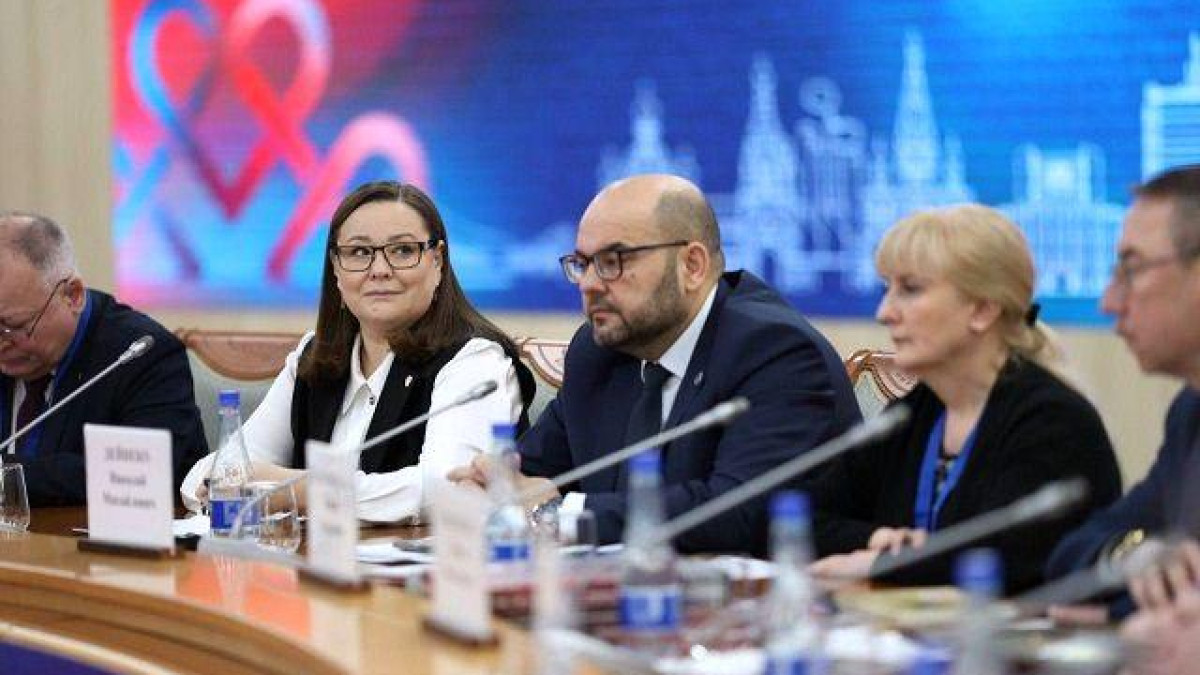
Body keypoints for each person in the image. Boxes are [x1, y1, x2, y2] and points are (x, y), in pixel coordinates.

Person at [450, 174, 860, 556]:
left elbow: (735, 511)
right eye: (582, 264)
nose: (589, 284)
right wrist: (488, 486)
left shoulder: (772, 350)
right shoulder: (599, 351)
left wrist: (561, 514)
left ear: (692, 266)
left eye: (614, 261)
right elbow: (524, 474)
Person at [804, 204, 1122, 593]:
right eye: (888, 289)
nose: (884, 312)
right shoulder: (918, 409)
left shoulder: (1053, 420)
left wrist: (883, 564)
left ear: (983, 310)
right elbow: (803, 519)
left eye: (910, 289)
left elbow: (1002, 560)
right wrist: (878, 540)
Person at [180, 181, 533, 523]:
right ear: (336, 268)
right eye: (359, 252)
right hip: (313, 561)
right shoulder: (314, 358)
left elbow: (446, 489)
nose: (379, 270)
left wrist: (301, 490)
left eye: (403, 251)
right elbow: (209, 476)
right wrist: (232, 484)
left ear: (437, 261)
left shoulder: (475, 360)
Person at [1046, 165, 1200, 622]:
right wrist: (1139, 557)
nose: (1109, 302)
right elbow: (1073, 554)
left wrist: (1131, 609)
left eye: (1132, 270)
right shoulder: (1190, 413)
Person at [0, 212, 207, 506]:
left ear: (72, 295)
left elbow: (138, 473)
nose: (2, 343)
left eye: (15, 326)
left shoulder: (141, 354)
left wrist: (5, 476)